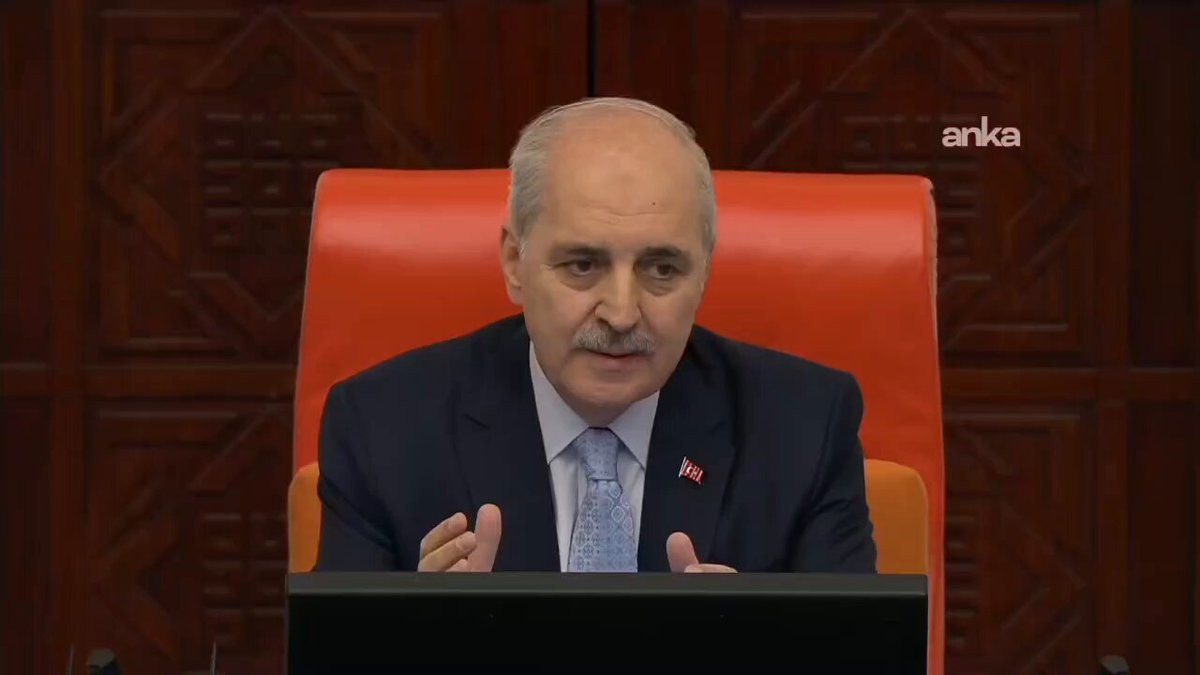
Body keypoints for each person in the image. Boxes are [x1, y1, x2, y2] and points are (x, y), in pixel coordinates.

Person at [314, 97, 877, 574]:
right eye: (583, 265)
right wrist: (419, 640)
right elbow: (334, 655)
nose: (622, 314)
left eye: (662, 269)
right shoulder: (382, 430)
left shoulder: (804, 431)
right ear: (514, 262)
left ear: (705, 271)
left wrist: (752, 648)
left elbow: (862, 654)